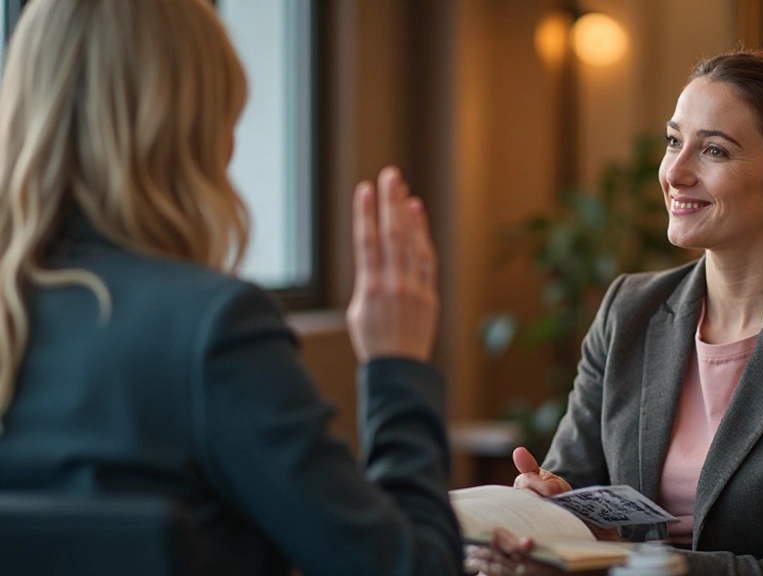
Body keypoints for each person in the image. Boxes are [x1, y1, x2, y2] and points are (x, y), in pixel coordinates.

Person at [0, 1, 460, 575]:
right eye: (225, 119)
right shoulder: (212, 329)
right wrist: (397, 367)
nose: (232, 149)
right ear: (186, 133)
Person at [467, 49, 763, 575]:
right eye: (674, 141)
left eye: (714, 151)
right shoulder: (627, 310)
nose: (674, 173)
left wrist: (629, 563)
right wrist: (548, 514)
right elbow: (573, 485)